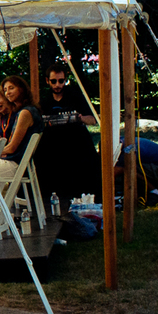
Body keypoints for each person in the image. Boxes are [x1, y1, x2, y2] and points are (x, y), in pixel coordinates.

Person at [35, 62, 95, 209]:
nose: (57, 85)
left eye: (61, 81)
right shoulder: (44, 100)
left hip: (75, 143)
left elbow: (93, 120)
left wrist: (78, 118)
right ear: (47, 81)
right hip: (53, 145)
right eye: (54, 81)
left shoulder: (75, 96)